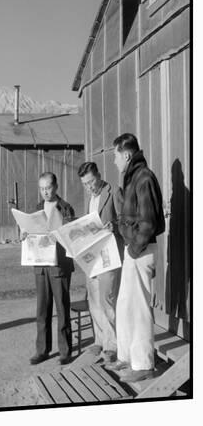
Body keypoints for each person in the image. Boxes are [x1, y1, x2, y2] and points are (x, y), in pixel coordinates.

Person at [106, 133, 165, 382]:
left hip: (140, 251)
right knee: (125, 305)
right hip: (133, 250)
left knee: (139, 307)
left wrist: (133, 248)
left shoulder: (144, 178)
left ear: (127, 154)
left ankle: (143, 365)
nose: (114, 161)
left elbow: (149, 222)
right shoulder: (133, 178)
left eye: (116, 156)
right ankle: (126, 357)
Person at [25, 172, 75, 366]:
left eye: (48, 188)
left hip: (59, 265)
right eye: (42, 188)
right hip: (40, 265)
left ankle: (65, 351)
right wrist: (25, 234)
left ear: (56, 187)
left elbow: (72, 235)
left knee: (62, 308)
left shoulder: (66, 208)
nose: (45, 192)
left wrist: (60, 236)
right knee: (42, 309)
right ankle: (42, 350)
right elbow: (31, 232)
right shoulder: (37, 209)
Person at [77, 162, 124, 364]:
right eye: (85, 185)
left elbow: (125, 218)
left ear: (99, 175)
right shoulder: (90, 198)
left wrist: (114, 225)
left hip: (109, 255)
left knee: (107, 300)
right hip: (92, 256)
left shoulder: (113, 192)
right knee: (94, 300)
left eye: (91, 182)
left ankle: (113, 345)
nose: (89, 187)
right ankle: (100, 340)